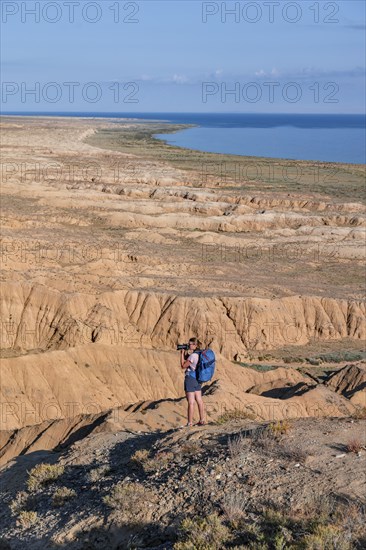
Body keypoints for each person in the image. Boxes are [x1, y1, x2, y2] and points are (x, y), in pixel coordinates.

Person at [180, 337, 206, 427]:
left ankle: (189, 422)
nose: (188, 345)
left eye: (190, 344)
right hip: (198, 379)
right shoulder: (199, 354)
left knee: (191, 402)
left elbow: (183, 366)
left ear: (195, 345)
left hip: (190, 379)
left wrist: (182, 354)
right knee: (199, 400)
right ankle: (202, 420)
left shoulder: (193, 356)